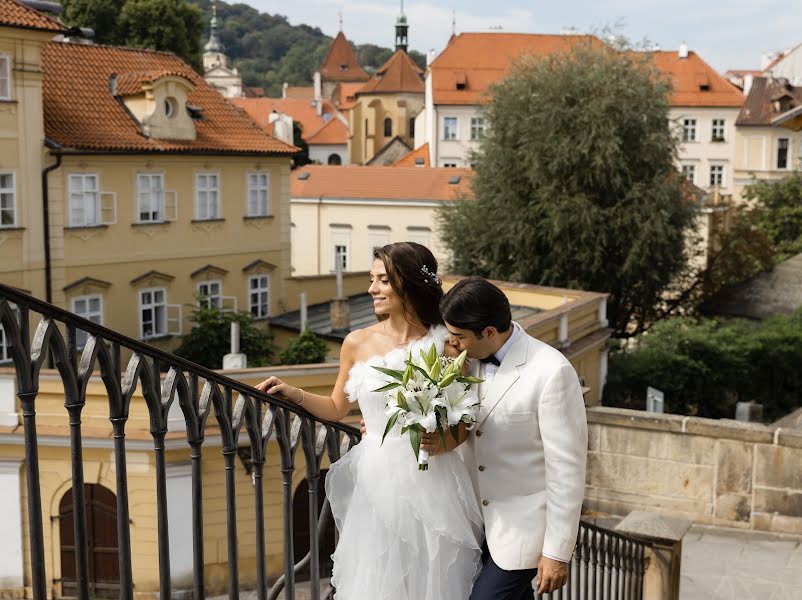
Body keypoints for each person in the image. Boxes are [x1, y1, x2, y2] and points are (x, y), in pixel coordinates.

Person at [255, 242, 483, 600]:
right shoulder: (356, 342)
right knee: (378, 580)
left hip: (433, 479)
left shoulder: (446, 345)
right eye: (371, 279)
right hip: (376, 480)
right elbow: (336, 407)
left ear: (406, 283)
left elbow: (464, 419)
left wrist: (443, 442)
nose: (371, 289)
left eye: (382, 280)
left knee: (431, 578)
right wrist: (293, 394)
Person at [421, 276, 588, 600]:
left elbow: (567, 471)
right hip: (470, 523)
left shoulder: (552, 371)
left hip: (522, 531)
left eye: (458, 336)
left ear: (489, 333)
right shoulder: (465, 363)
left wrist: (557, 552)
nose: (452, 343)